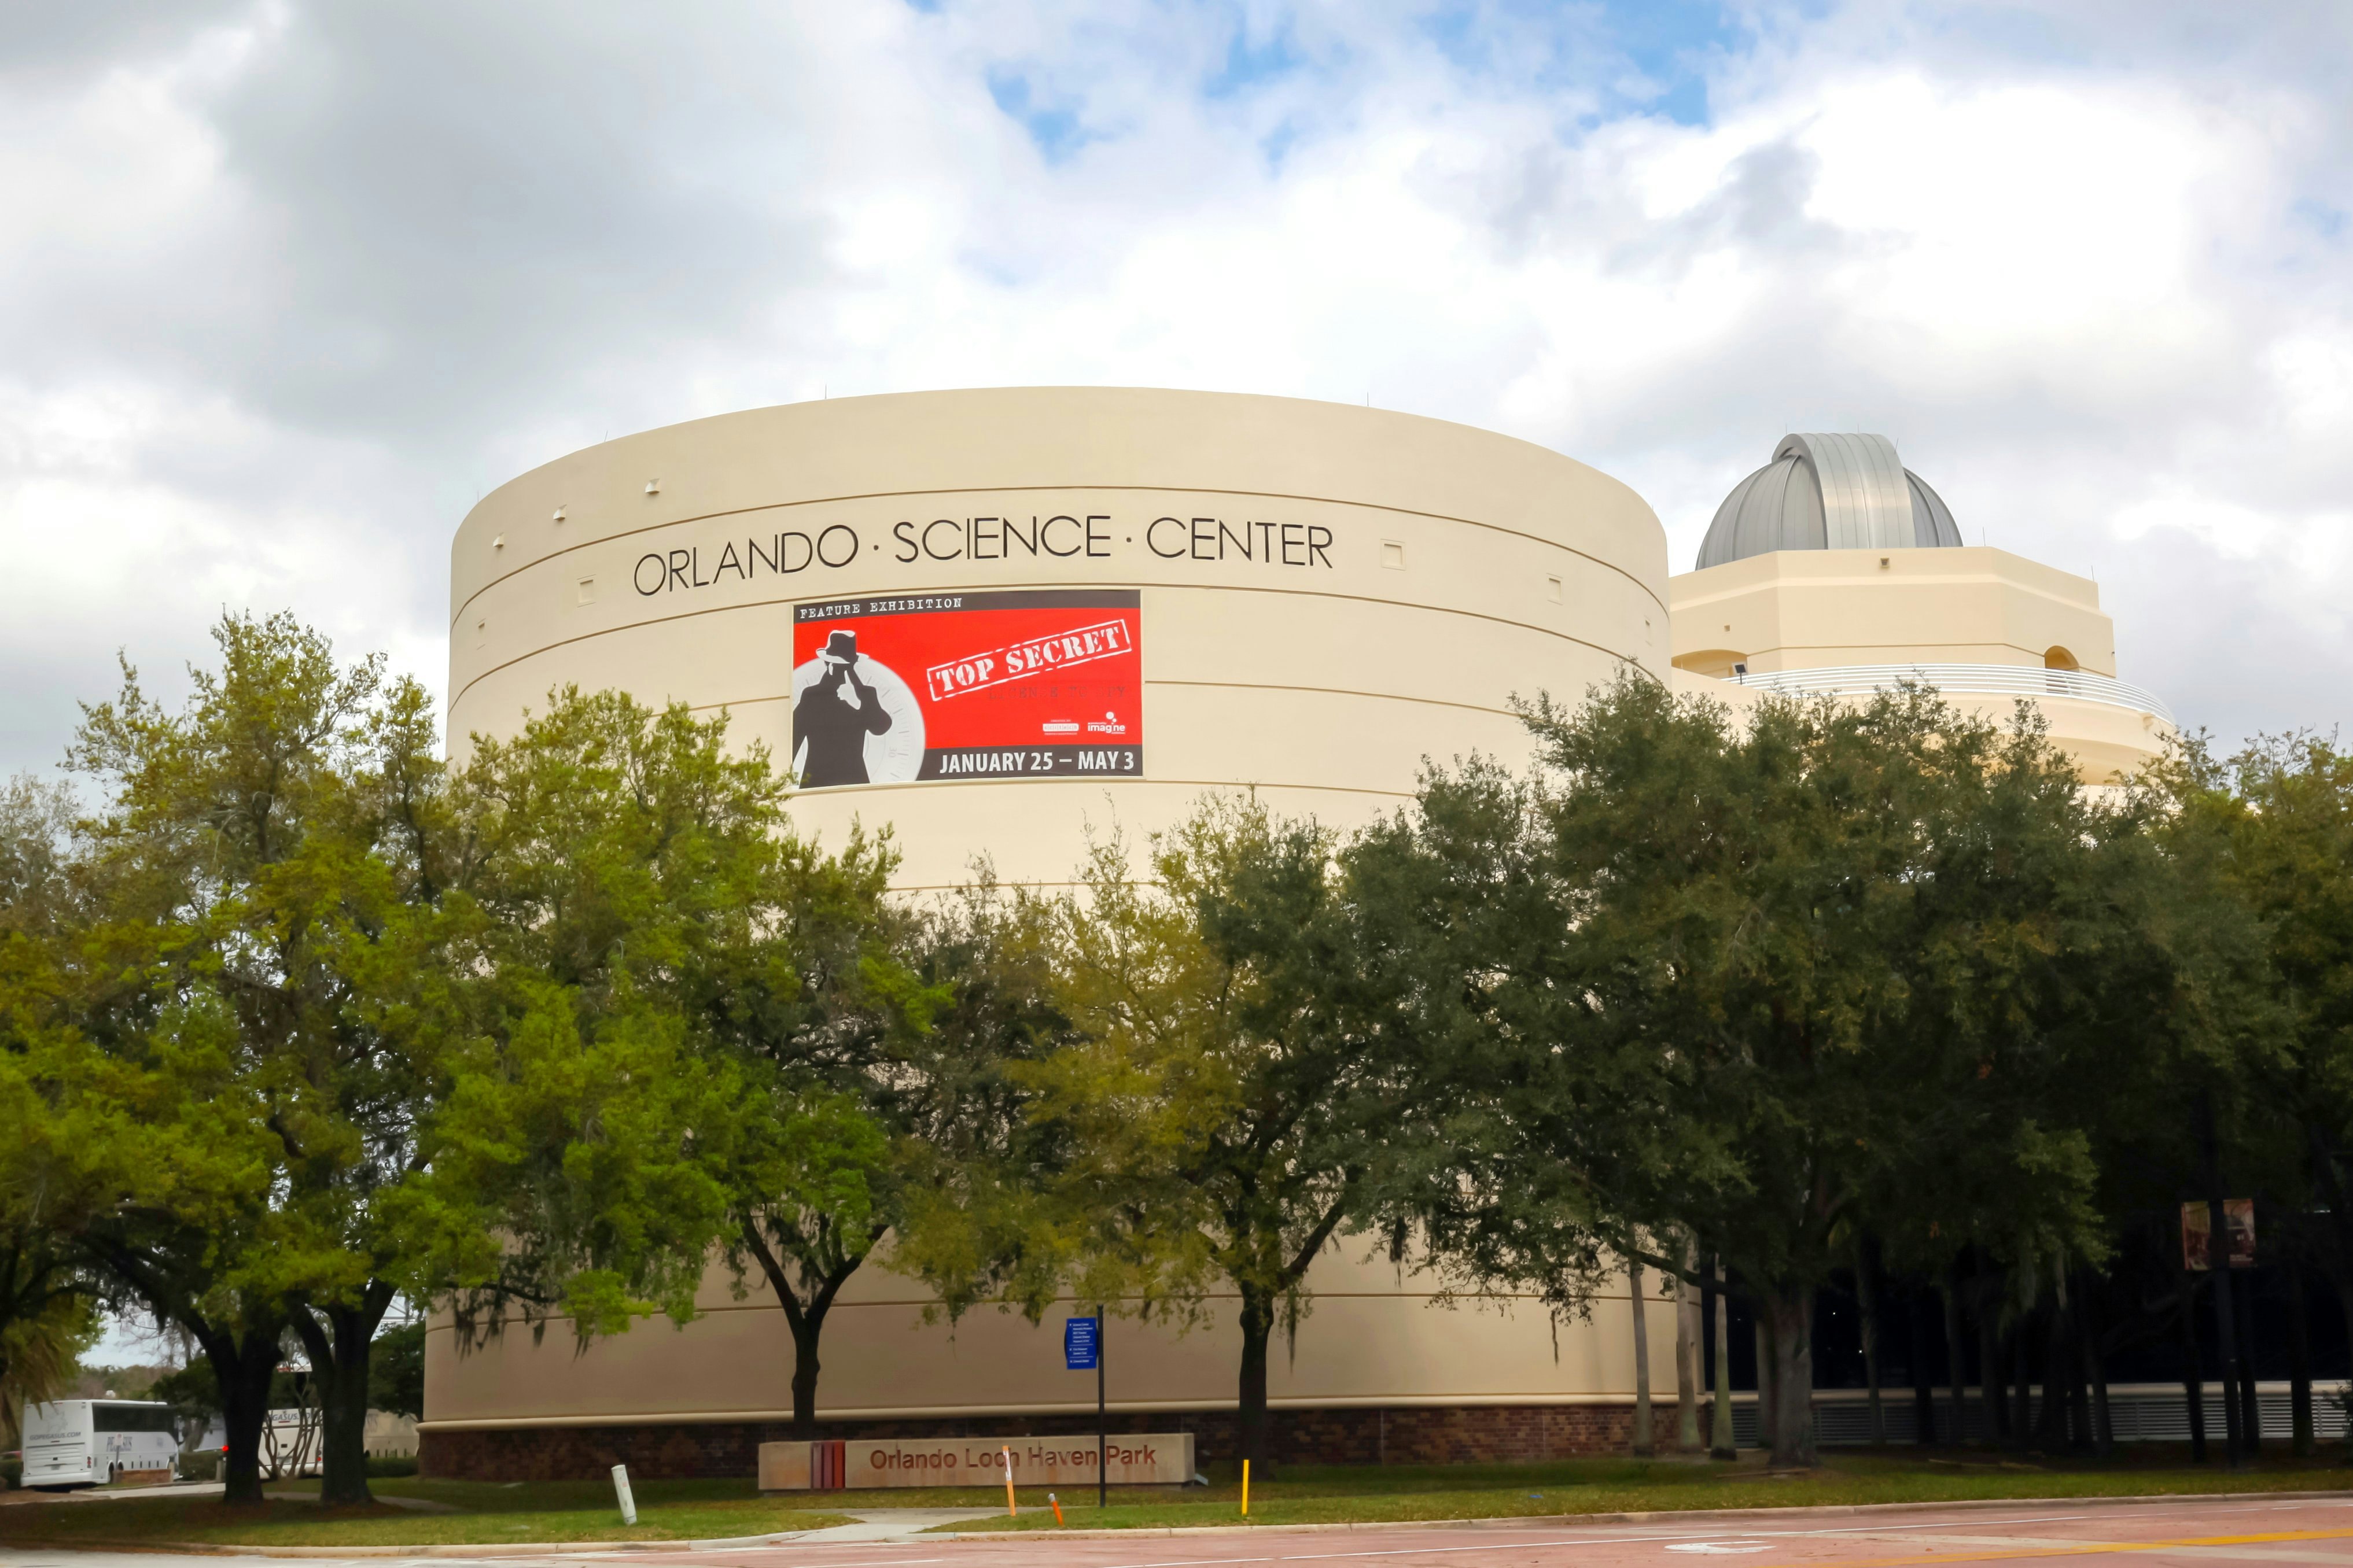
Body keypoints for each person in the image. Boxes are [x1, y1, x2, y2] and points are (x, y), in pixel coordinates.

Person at [793, 629, 895, 786]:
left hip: (855, 781)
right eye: (843, 666)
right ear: (830, 665)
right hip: (817, 782)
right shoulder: (813, 696)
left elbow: (881, 727)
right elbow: (793, 739)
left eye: (849, 666)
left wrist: (859, 700)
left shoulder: (866, 694)